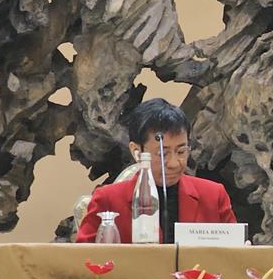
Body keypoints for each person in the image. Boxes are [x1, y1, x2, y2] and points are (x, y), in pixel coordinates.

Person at [76, 98, 236, 244]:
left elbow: (235, 255)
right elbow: (83, 259)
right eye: (163, 154)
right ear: (136, 151)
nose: (174, 163)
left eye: (181, 151)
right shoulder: (108, 200)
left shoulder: (213, 196)